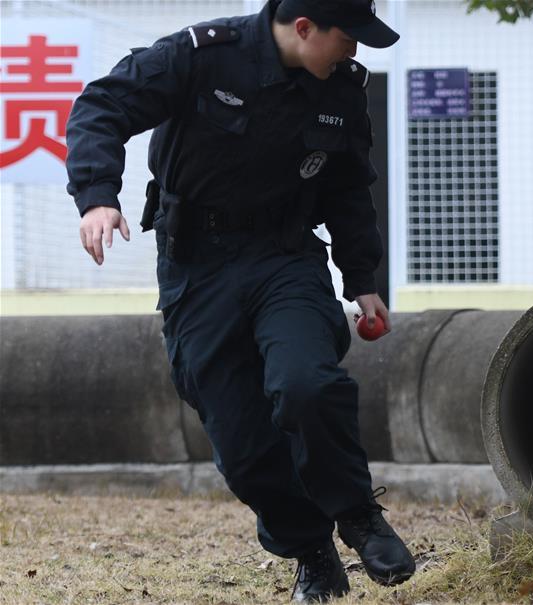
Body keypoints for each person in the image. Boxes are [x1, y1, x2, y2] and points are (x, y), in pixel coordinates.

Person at [65, 0, 414, 601]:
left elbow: (349, 187)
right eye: (347, 37)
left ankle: (358, 514)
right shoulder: (201, 55)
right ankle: (311, 550)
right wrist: (98, 195)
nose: (354, 51)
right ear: (304, 28)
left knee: (307, 383)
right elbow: (102, 105)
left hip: (285, 256)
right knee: (242, 445)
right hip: (196, 266)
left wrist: (362, 278)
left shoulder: (340, 87)